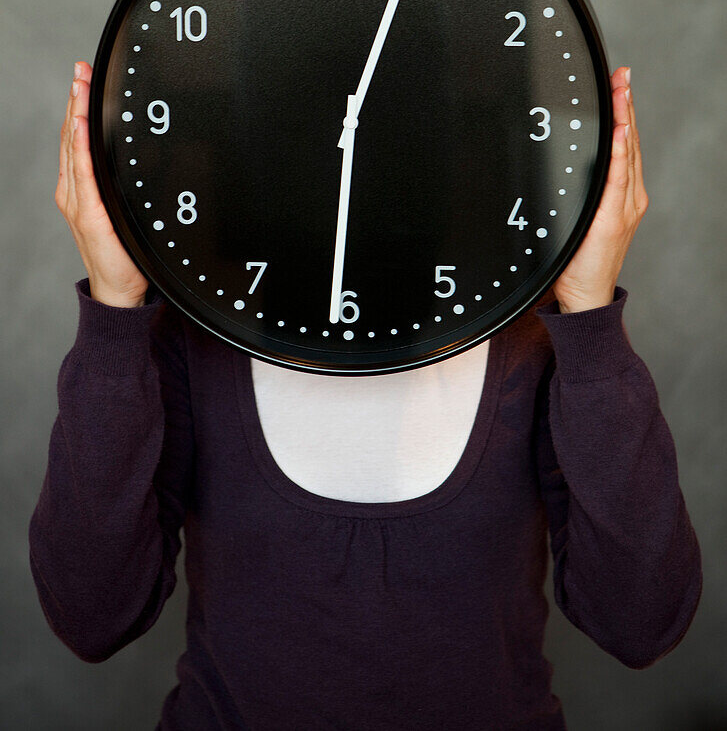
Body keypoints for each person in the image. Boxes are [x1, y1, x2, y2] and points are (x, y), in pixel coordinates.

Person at [29, 61, 702, 730]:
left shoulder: (527, 339)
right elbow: (94, 617)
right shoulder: (199, 333)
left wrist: (588, 323)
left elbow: (640, 622)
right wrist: (115, 315)